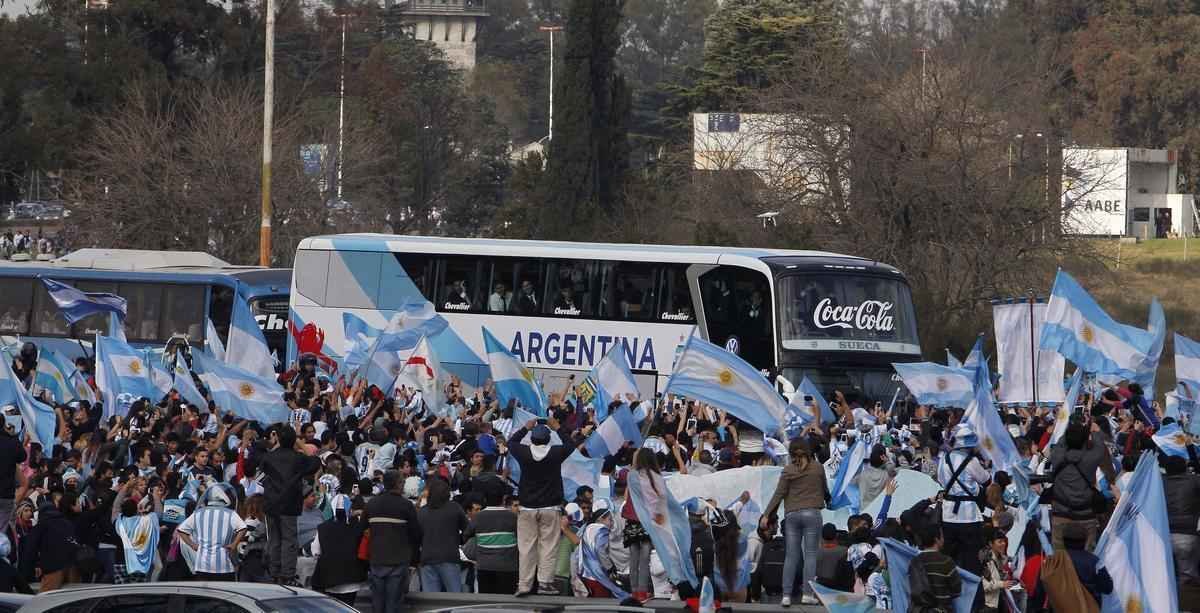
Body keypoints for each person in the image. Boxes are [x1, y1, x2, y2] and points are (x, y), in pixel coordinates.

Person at [507, 422, 573, 596]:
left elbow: (511, 442)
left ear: (532, 439)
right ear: (549, 439)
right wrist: (558, 427)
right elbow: (570, 444)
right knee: (548, 546)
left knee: (526, 547)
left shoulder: (523, 452)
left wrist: (525, 428)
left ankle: (524, 585)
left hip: (527, 507)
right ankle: (545, 583)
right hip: (551, 507)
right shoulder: (556, 452)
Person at [764, 438, 826, 606]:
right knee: (811, 555)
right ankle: (807, 594)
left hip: (792, 515)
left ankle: (786, 595)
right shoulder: (818, 468)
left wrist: (766, 515)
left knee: (791, 556)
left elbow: (779, 494)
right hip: (813, 513)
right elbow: (825, 490)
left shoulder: (788, 470)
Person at [260, 425, 322, 585]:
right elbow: (315, 461)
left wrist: (276, 443)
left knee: (274, 538)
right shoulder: (298, 458)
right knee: (289, 539)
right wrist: (302, 445)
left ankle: (273, 572)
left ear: (278, 439)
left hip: (271, 503)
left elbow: (261, 463)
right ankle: (287, 574)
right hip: (289, 503)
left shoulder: (269, 456)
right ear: (294, 440)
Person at [1048, 420, 1116, 551]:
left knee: (1059, 559)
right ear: (1085, 440)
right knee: (1088, 555)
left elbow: (1062, 441)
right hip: (1085, 515)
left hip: (1060, 513)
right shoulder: (1092, 457)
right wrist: (1093, 431)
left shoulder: (1057, 454)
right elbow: (1100, 445)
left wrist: (1072, 429)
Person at [363, 470, 422, 613]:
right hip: (398, 560)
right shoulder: (406, 505)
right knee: (393, 602)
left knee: (377, 600)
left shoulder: (372, 504)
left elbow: (362, 529)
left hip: (377, 559)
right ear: (398, 484)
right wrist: (415, 559)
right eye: (402, 481)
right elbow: (416, 534)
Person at [937, 424, 991, 575]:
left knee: (950, 560)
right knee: (972, 562)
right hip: (969, 517)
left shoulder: (944, 459)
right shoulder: (971, 461)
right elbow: (986, 480)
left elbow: (940, 480)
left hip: (948, 515)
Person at [1036, 522, 1112, 611]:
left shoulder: (1055, 561)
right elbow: (1108, 588)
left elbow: (1043, 585)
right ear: (1085, 540)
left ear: (1063, 540)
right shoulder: (1094, 562)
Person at [176, 484, 245, 581]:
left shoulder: (198, 513)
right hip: (223, 566)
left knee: (205, 595)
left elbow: (181, 530)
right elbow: (243, 528)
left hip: (202, 566)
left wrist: (193, 545)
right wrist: (234, 544)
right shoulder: (230, 513)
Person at [310, 494, 367, 605]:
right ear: (349, 508)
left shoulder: (323, 528)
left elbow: (316, 552)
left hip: (329, 579)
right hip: (353, 578)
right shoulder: (357, 527)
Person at [417, 477, 467, 592]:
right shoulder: (455, 508)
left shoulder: (422, 512)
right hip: (450, 557)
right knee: (453, 598)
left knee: (431, 601)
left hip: (427, 559)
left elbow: (416, 537)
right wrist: (458, 540)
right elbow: (467, 530)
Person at [465, 487, 519, 595]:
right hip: (508, 567)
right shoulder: (513, 517)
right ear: (503, 500)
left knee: (487, 602)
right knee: (507, 602)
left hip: (485, 567)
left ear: (485, 500)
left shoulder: (478, 517)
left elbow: (466, 535)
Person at [1162, 455, 1200, 586]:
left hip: (1162, 534)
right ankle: (1186, 604)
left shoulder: (1158, 483)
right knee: (1188, 578)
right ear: (1185, 468)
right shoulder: (1195, 481)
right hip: (1188, 534)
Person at [908, 522, 961, 612]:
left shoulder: (914, 562)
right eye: (942, 536)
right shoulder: (946, 561)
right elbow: (957, 590)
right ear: (937, 539)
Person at [0, 407, 27, 531]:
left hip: (6, 495)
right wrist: (13, 436)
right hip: (6, 495)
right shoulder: (11, 441)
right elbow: (22, 456)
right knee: (3, 532)